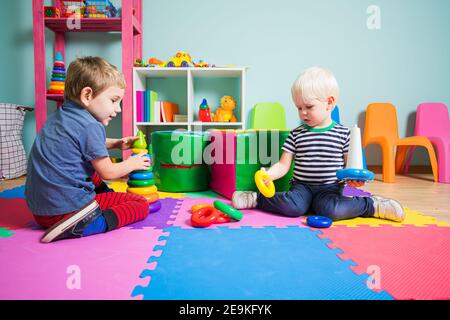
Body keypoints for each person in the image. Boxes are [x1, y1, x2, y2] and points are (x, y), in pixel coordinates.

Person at [232, 66, 405, 222]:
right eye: (299, 108)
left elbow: (349, 167)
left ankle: (371, 205)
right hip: (301, 187)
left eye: (309, 106)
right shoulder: (296, 134)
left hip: (330, 188)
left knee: (332, 211)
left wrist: (354, 181)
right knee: (293, 207)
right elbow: (283, 165)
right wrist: (268, 175)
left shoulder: (344, 134)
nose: (303, 113)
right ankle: (256, 198)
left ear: (329, 103)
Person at [25, 56, 151, 243]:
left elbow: (80, 144)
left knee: (90, 170)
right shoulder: (91, 126)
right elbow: (108, 172)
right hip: (68, 211)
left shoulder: (59, 116)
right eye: (114, 100)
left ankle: (101, 201)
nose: (117, 109)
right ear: (87, 95)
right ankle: (93, 223)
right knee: (140, 204)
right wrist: (133, 163)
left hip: (41, 211)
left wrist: (116, 143)